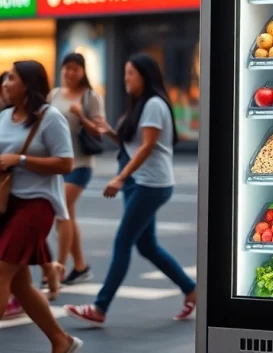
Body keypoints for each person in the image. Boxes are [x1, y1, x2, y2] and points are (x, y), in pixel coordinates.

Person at [65, 53, 197, 325]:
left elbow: (148, 146)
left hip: (150, 184)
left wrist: (121, 177)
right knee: (146, 246)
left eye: (130, 73)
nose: (125, 78)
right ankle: (191, 289)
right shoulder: (141, 105)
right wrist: (110, 132)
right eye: (125, 72)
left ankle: (100, 307)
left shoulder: (153, 105)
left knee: (123, 241)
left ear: (144, 76)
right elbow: (135, 144)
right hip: (142, 182)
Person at [0, 61, 83, 352]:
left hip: (37, 204)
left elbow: (66, 163)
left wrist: (20, 160)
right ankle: (62, 340)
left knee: (1, 272)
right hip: (7, 204)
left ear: (28, 84)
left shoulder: (51, 118)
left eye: (12, 78)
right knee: (20, 283)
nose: (6, 83)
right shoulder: (5, 116)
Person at [48, 52, 105, 287]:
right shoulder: (53, 95)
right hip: (57, 164)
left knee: (61, 214)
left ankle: (58, 269)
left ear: (83, 72)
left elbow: (99, 131)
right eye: (67, 68)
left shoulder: (91, 97)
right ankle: (80, 266)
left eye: (75, 69)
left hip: (80, 164)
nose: (70, 73)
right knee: (68, 215)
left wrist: (81, 115)